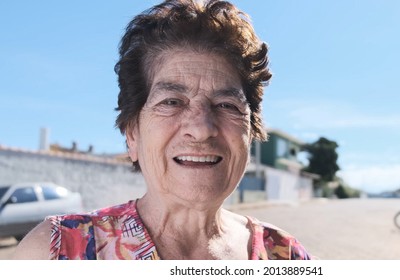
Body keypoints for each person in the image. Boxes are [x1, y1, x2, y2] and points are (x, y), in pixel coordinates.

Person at [13, 0, 311, 260]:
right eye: (172, 102)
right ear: (132, 135)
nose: (202, 129)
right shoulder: (55, 251)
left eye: (226, 105)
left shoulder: (286, 255)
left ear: (251, 133)